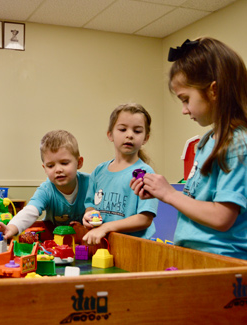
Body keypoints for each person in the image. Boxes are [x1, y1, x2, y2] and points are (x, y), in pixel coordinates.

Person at [131, 37, 247, 259]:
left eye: (186, 99)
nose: (184, 110)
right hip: (195, 256)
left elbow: (222, 217)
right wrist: (159, 192)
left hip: (224, 263)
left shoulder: (238, 144)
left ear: (214, 91)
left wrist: (169, 194)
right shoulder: (207, 142)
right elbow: (197, 203)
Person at [0, 130, 90, 239]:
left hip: (86, 240)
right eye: (50, 166)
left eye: (64, 163)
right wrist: (10, 228)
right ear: (44, 168)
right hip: (53, 240)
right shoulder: (46, 190)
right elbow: (30, 211)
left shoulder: (91, 184)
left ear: (79, 163)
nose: (58, 170)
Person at [82, 103, 158, 245]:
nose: (129, 135)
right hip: (104, 245)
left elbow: (144, 218)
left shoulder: (145, 173)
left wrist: (106, 227)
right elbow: (91, 204)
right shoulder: (99, 171)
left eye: (137, 131)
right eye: (123, 129)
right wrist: (89, 215)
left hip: (135, 248)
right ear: (110, 134)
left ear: (145, 138)